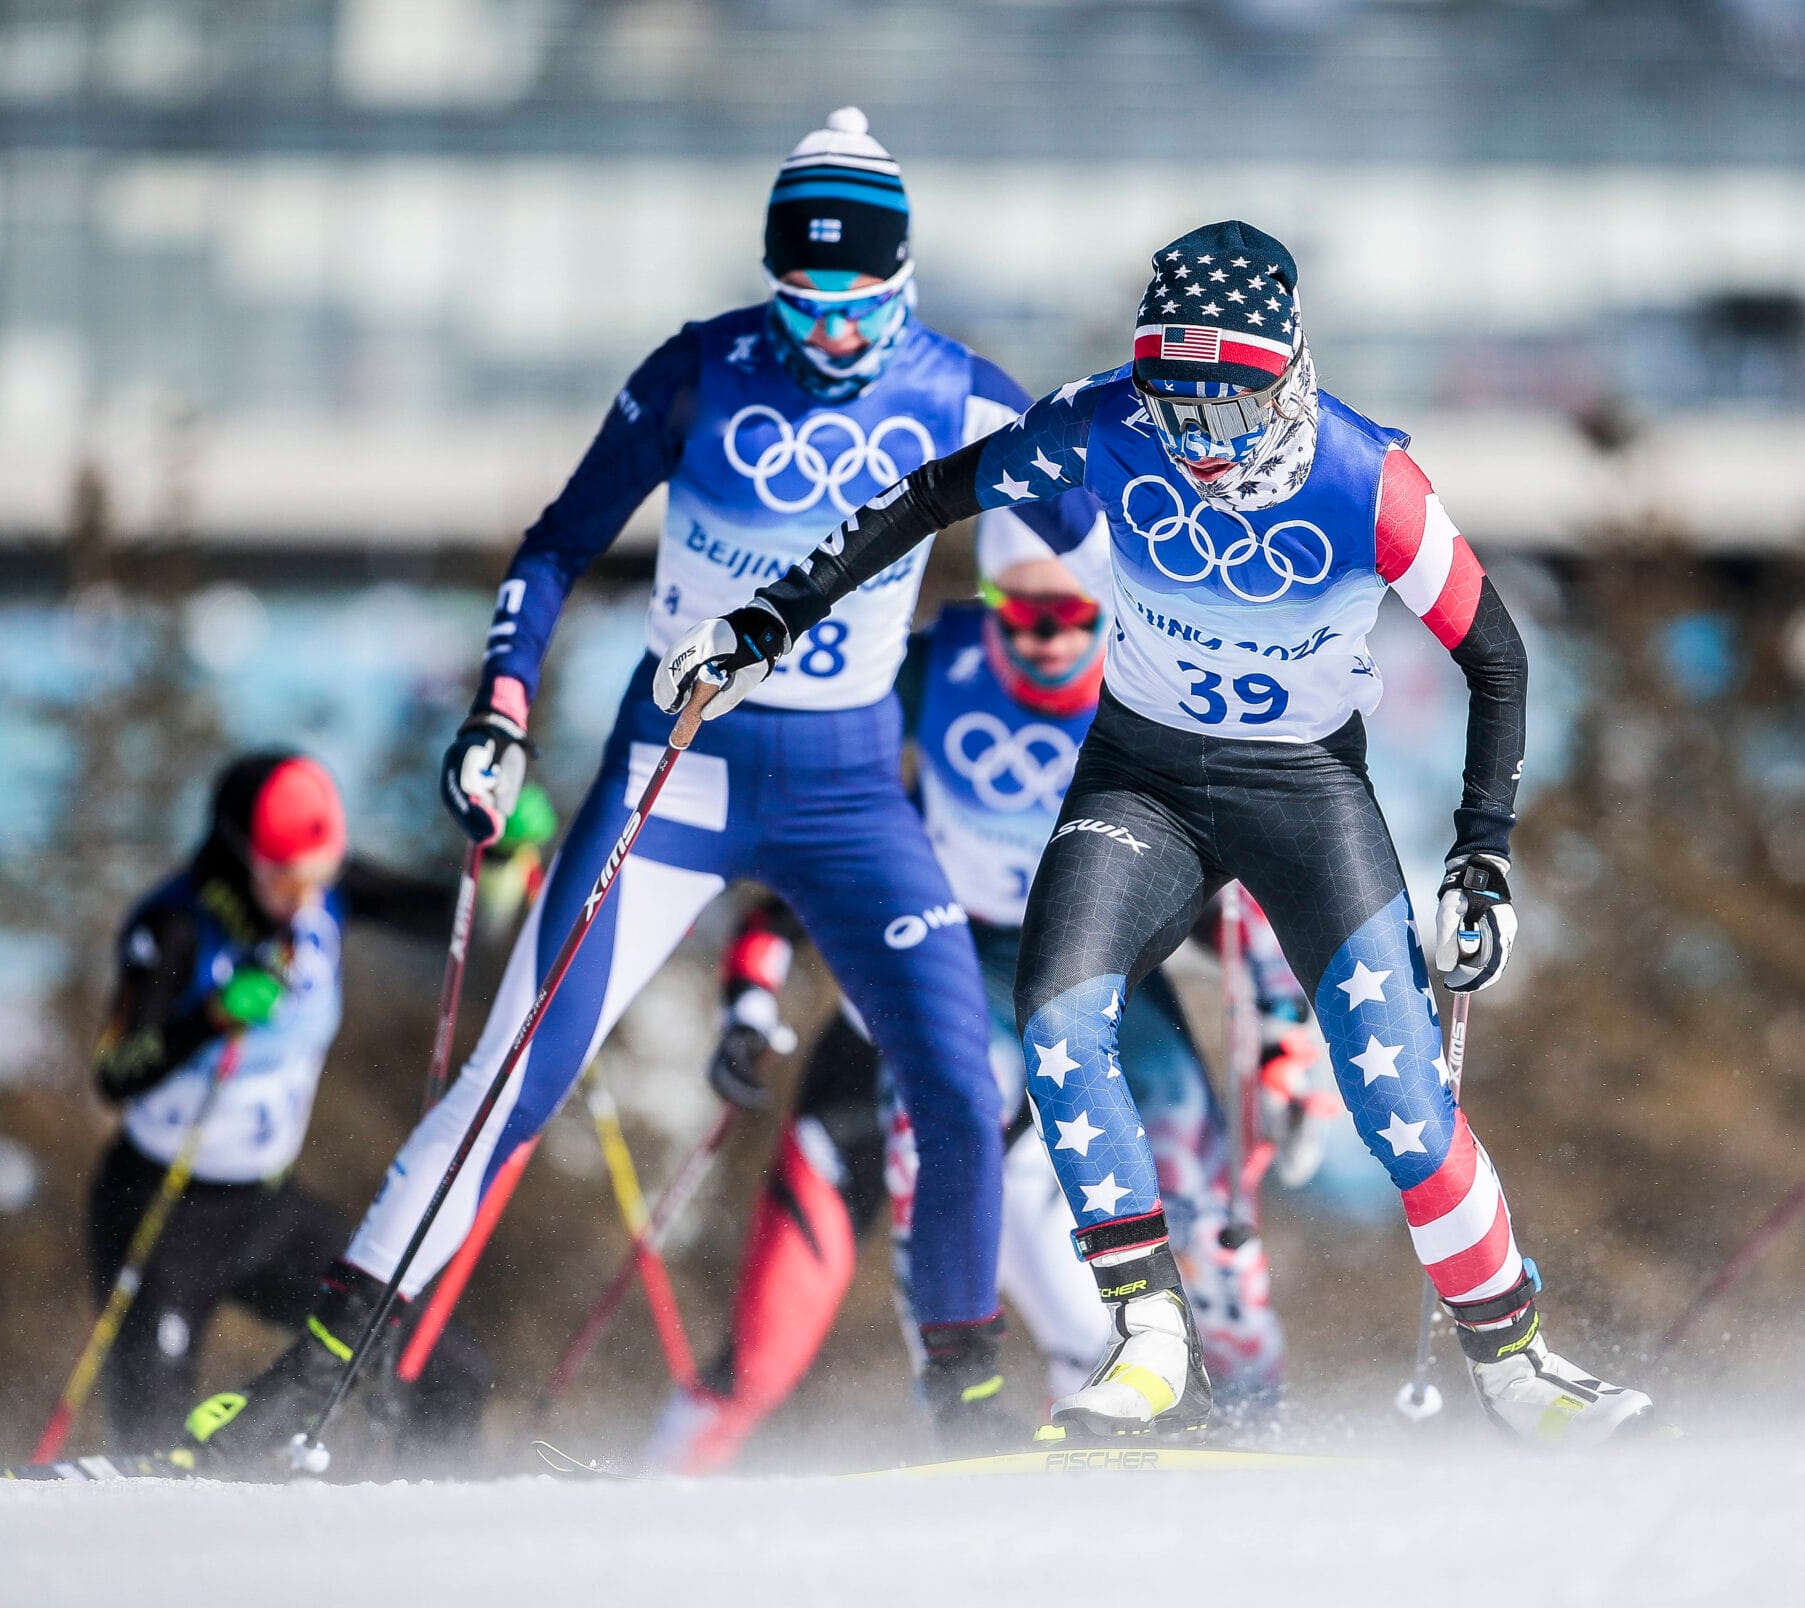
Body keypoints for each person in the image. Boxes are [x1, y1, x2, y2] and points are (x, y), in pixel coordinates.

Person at [187, 108, 1103, 1467]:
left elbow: (1087, 539)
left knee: (958, 1089)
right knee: (515, 1077)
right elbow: (557, 545)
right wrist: (503, 705)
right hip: (676, 774)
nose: (830, 338)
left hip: (848, 795)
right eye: (803, 305)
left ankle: (966, 1409)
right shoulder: (702, 370)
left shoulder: (960, 393)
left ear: (903, 287)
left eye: (859, 311)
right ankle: (307, 1383)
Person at [656, 220, 1652, 1444]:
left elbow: (1494, 656)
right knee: (1061, 1025)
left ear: (1287, 380)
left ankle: (1516, 1363)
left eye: (1228, 411)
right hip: (1143, 781)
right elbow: (929, 496)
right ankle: (1151, 1342)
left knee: (1397, 1099)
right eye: (1175, 410)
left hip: (1302, 790)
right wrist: (775, 614)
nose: (1200, 446)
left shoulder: (1371, 483)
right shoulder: (1106, 421)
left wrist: (1481, 853)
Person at [653, 561, 1313, 1470]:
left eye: (1071, 615)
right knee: (768, 1345)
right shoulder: (936, 671)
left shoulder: (1154, 681)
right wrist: (749, 1000)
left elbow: (1237, 888)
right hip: (923, 991)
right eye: (1019, 613)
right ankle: (682, 1474)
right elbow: (815, 844)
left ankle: (1241, 1421)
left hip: (1094, 988)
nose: (1044, 638)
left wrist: (1286, 1048)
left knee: (1177, 1223)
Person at [87, 752, 491, 1455]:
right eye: (282, 878)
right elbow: (115, 1072)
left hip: (266, 1208)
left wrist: (503, 860)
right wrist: (209, 1018)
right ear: (238, 858)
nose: (303, 895)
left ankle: (421, 1508)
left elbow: (458, 919)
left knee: (446, 1367)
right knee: (148, 1441)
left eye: (318, 875)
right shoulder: (175, 925)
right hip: (160, 1209)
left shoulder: (323, 894)